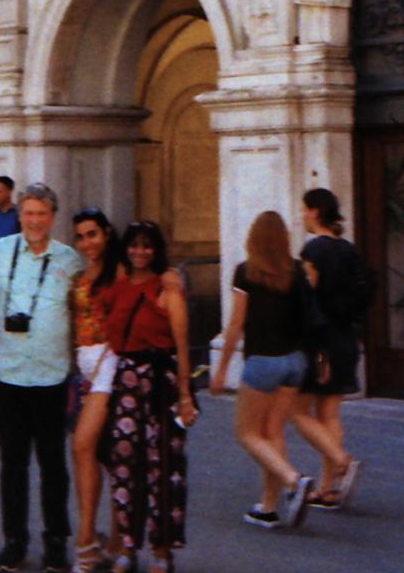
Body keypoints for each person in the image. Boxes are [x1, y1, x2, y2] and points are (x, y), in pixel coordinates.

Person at [0, 182, 83, 573]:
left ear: (53, 217)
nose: (35, 220)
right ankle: (14, 541)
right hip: (8, 373)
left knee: (53, 464)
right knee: (12, 463)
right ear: (19, 214)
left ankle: (56, 541)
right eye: (28, 212)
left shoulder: (69, 260)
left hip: (51, 375)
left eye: (42, 213)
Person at [210, 210, 317, 531]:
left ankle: (293, 480)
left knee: (246, 433)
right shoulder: (297, 272)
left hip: (262, 362)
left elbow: (236, 324)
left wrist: (221, 369)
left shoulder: (246, 273)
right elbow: (310, 321)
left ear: (253, 239)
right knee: (272, 433)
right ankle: (268, 508)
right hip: (294, 362)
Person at [105, 220, 197, 573]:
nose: (139, 252)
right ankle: (127, 546)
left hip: (162, 382)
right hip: (127, 381)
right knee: (124, 462)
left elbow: (182, 346)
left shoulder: (168, 288)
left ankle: (162, 550)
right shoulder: (119, 284)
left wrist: (185, 395)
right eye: (134, 245)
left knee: (164, 466)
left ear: (156, 250)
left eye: (147, 245)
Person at [293, 188, 362, 510]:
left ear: (316, 211)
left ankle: (341, 460)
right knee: (329, 413)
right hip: (346, 337)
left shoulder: (313, 250)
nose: (302, 216)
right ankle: (328, 489)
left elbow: (306, 297)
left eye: (305, 210)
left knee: (296, 410)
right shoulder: (348, 249)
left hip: (320, 344)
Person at [69, 208, 122, 573]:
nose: (87, 243)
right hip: (85, 368)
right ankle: (116, 540)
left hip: (109, 364)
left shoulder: (118, 272)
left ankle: (85, 537)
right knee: (107, 455)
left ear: (106, 233)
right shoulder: (81, 274)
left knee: (82, 443)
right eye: (81, 236)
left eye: (93, 234)